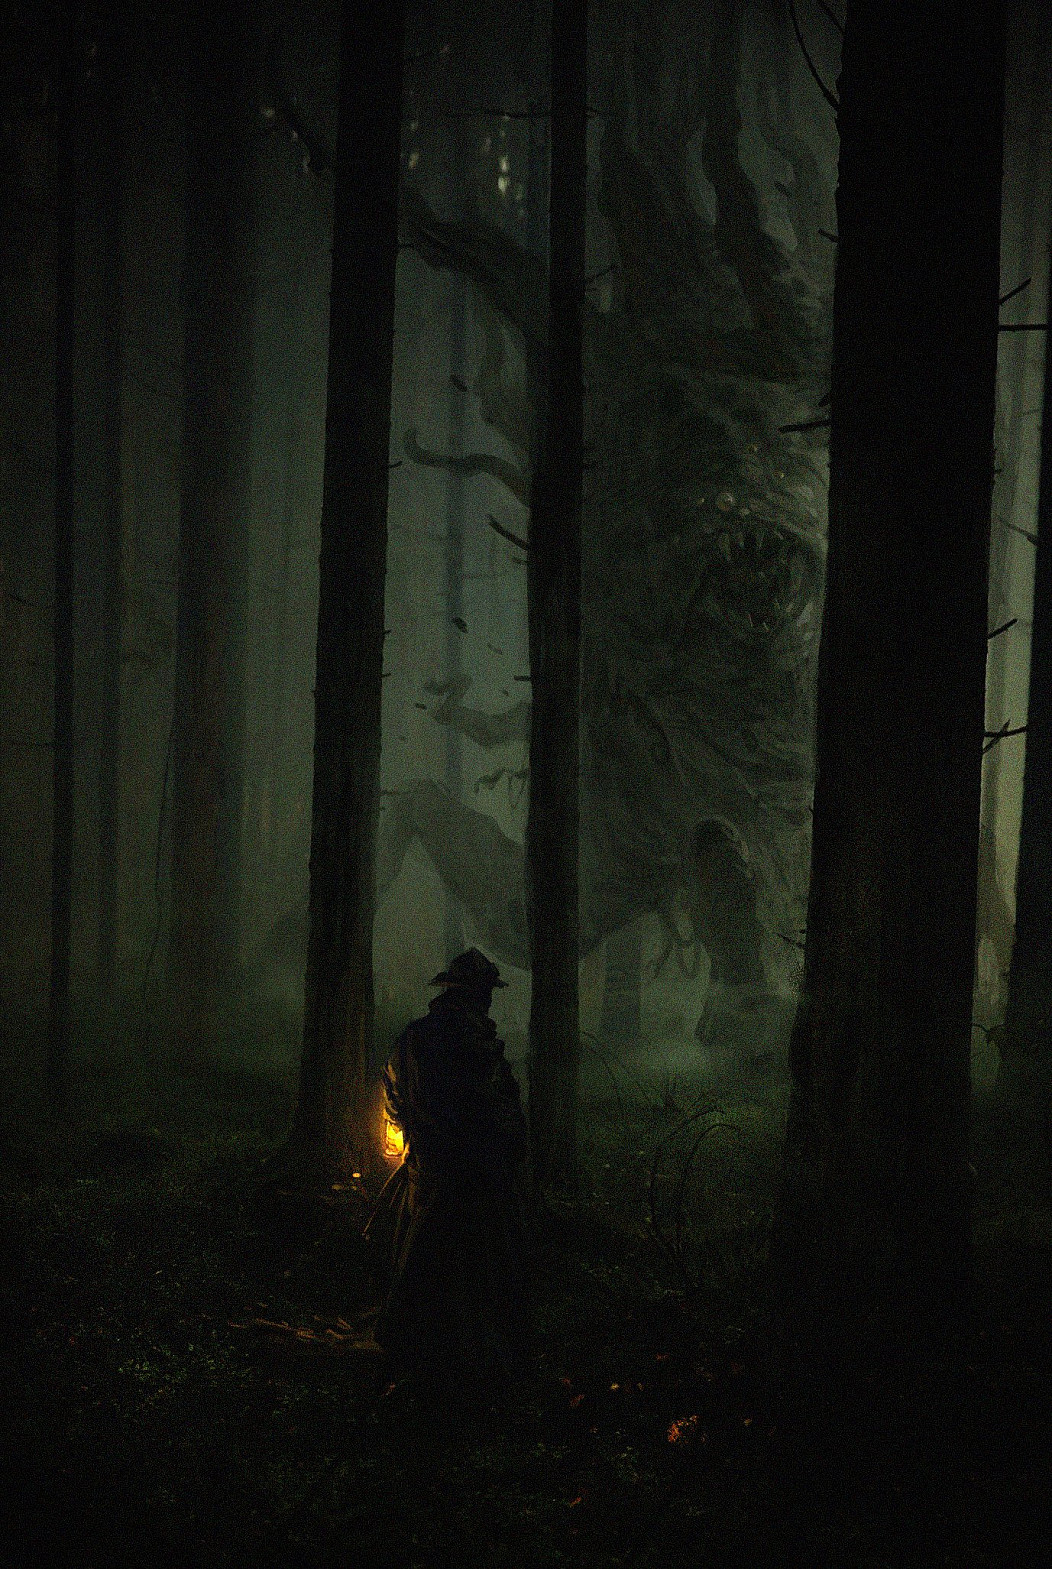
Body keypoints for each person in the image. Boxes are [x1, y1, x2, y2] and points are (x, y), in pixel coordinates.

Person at [376, 948, 529, 1396]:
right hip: (467, 1171)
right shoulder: (468, 1042)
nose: (488, 1000)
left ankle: (426, 1351)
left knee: (436, 1258)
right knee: (458, 1262)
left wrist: (410, 1136)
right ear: (469, 994)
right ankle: (446, 1361)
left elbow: (393, 1092)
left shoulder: (418, 1037)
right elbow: (491, 1108)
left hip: (440, 1166)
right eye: (484, 992)